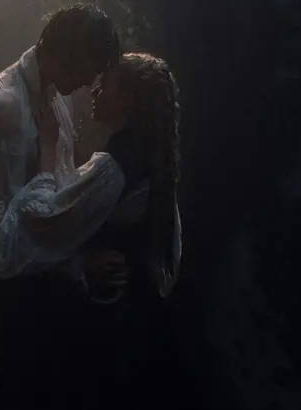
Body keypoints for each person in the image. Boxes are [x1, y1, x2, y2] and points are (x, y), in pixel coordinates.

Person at [0, 4, 120, 410]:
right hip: (18, 296)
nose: (90, 81)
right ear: (66, 52)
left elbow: (59, 191)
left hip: (58, 289)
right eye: (89, 67)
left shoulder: (58, 98)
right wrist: (76, 264)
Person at [81, 51, 183, 408]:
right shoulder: (149, 156)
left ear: (127, 98)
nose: (95, 90)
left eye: (105, 84)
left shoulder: (116, 164)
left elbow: (54, 220)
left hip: (117, 327)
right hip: (142, 318)